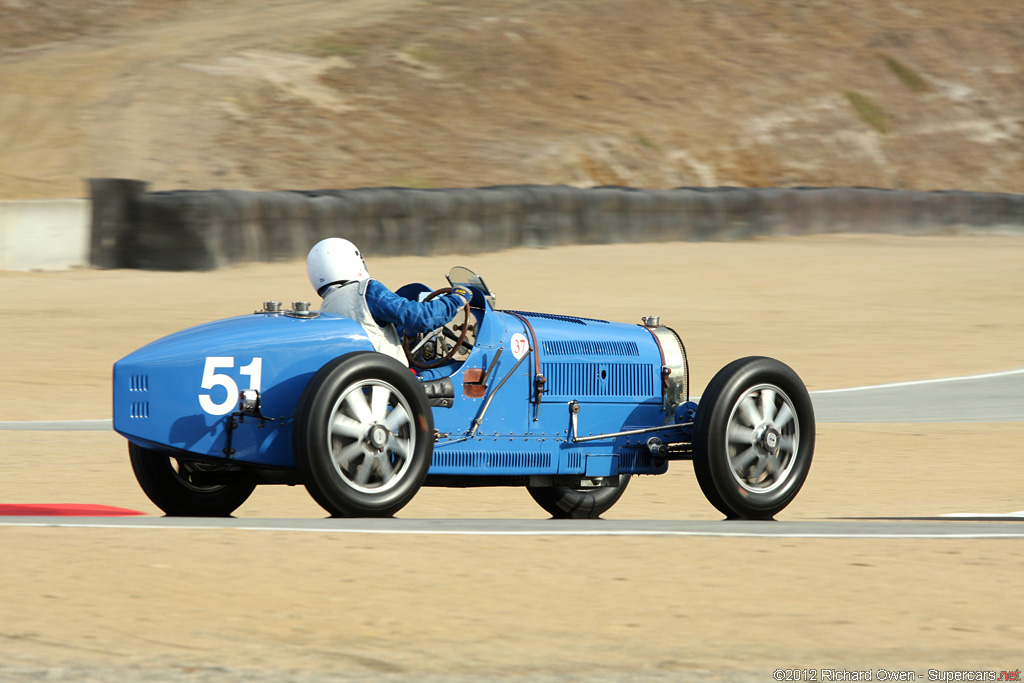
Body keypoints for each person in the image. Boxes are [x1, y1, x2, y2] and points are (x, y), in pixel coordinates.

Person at [305, 238, 470, 379]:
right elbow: (421, 318)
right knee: (467, 370)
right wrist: (456, 299)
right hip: (394, 381)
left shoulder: (325, 309)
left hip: (361, 380)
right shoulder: (366, 291)